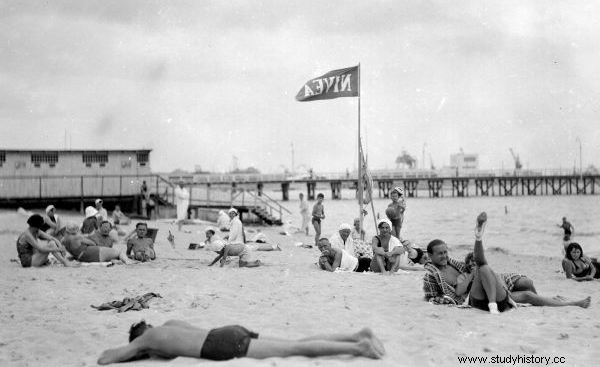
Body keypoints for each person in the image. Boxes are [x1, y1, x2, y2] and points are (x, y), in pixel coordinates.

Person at [423, 212, 591, 313]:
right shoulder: (433, 275)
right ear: (430, 256)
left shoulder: (454, 264)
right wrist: (471, 275)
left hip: (488, 287)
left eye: (445, 252)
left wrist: (473, 272)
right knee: (481, 265)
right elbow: (454, 293)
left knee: (528, 294)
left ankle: (573, 303)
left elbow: (470, 267)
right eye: (440, 254)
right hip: (473, 299)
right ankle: (479, 235)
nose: (444, 256)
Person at [97, 319, 385, 364]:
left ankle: (359, 347)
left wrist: (138, 347)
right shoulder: (170, 324)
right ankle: (357, 335)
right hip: (227, 331)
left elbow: (105, 358)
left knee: (296, 349)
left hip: (220, 346)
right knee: (293, 343)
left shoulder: (148, 338)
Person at [63, 222, 131, 264]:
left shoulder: (64, 240)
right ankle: (127, 262)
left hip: (81, 257)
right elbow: (93, 244)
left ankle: (118, 259)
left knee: (114, 255)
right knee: (120, 252)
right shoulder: (77, 237)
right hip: (94, 253)